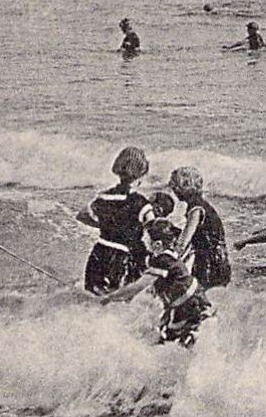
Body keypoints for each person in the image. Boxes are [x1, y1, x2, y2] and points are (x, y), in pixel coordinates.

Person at [76, 146, 152, 295]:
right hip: (123, 257)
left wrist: (106, 224)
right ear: (142, 174)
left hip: (99, 253)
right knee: (120, 299)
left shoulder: (103, 197)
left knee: (95, 297)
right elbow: (154, 228)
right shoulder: (140, 202)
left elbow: (83, 216)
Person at [170, 167, 231, 288]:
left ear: (185, 188)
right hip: (220, 258)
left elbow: (184, 241)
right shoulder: (202, 204)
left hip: (209, 261)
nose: (174, 190)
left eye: (176, 186)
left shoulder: (196, 209)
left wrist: (169, 257)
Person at [149, 254, 213, 348]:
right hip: (193, 294)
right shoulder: (173, 257)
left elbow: (140, 285)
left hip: (184, 297)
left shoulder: (162, 259)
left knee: (173, 332)